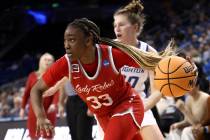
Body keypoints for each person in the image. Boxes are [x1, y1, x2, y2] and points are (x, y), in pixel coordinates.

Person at [30, 18, 175, 140]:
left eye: (72, 40)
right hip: (103, 116)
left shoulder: (112, 55)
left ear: (88, 41)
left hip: (126, 105)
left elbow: (155, 61)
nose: (66, 45)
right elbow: (36, 89)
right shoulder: (65, 63)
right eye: (65, 40)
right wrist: (41, 116)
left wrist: (182, 66)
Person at [113, 0, 164, 139]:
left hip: (138, 105)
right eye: (115, 25)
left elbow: (157, 91)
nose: (117, 29)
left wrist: (141, 108)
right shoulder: (107, 49)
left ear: (135, 28)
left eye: (121, 25)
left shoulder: (148, 52)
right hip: (111, 110)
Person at [19, 53, 59, 140]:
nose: (47, 62)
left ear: (53, 63)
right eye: (45, 60)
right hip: (34, 112)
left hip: (49, 110)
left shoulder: (54, 76)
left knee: (49, 136)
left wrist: (54, 104)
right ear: (41, 62)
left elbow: (57, 92)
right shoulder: (32, 76)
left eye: (49, 60)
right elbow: (26, 94)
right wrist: (22, 108)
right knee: (33, 136)